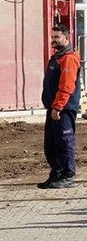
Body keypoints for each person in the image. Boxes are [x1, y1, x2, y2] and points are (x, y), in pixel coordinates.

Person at [38, 24, 81, 189]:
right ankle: (56, 173)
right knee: (50, 145)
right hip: (54, 107)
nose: (53, 40)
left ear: (66, 38)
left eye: (57, 37)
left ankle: (68, 175)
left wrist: (58, 107)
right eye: (52, 37)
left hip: (63, 108)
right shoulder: (57, 57)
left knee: (64, 142)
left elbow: (66, 86)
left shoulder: (69, 58)